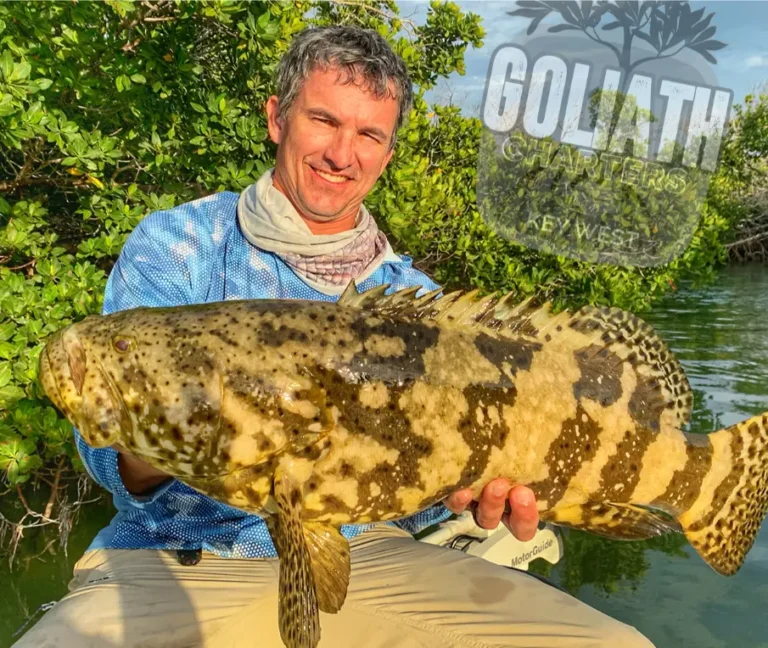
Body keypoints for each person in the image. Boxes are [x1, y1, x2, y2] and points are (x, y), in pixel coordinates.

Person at [16, 25, 654, 648]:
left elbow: (423, 498)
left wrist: (479, 496)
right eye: (323, 120)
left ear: (387, 153)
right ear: (277, 118)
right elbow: (107, 463)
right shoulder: (177, 248)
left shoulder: (419, 304)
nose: (341, 154)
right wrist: (210, 426)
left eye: (368, 134)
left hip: (372, 555)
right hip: (177, 556)